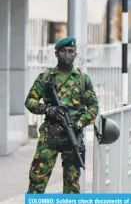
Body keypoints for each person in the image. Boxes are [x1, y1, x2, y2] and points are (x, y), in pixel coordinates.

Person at [25, 36, 100, 193]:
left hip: (73, 137)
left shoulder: (82, 79)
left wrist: (79, 124)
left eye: (71, 51)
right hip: (50, 135)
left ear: (75, 54)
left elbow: (93, 107)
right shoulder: (46, 78)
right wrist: (47, 109)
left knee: (72, 185)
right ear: (56, 53)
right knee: (37, 181)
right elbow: (30, 101)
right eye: (63, 51)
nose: (67, 54)